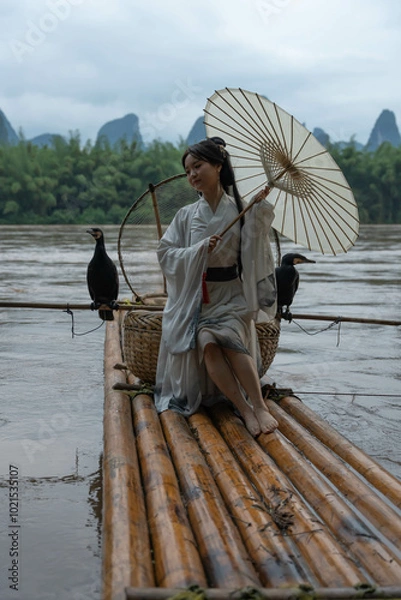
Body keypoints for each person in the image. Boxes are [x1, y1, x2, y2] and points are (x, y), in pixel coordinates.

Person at [154, 137, 278, 436]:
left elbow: (254, 249)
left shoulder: (240, 207)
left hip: (232, 294)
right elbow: (165, 253)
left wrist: (258, 213)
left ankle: (259, 406)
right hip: (200, 298)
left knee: (231, 340)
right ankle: (244, 410)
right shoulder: (186, 215)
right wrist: (197, 251)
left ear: (219, 166)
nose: (192, 174)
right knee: (208, 343)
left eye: (198, 166)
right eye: (187, 171)